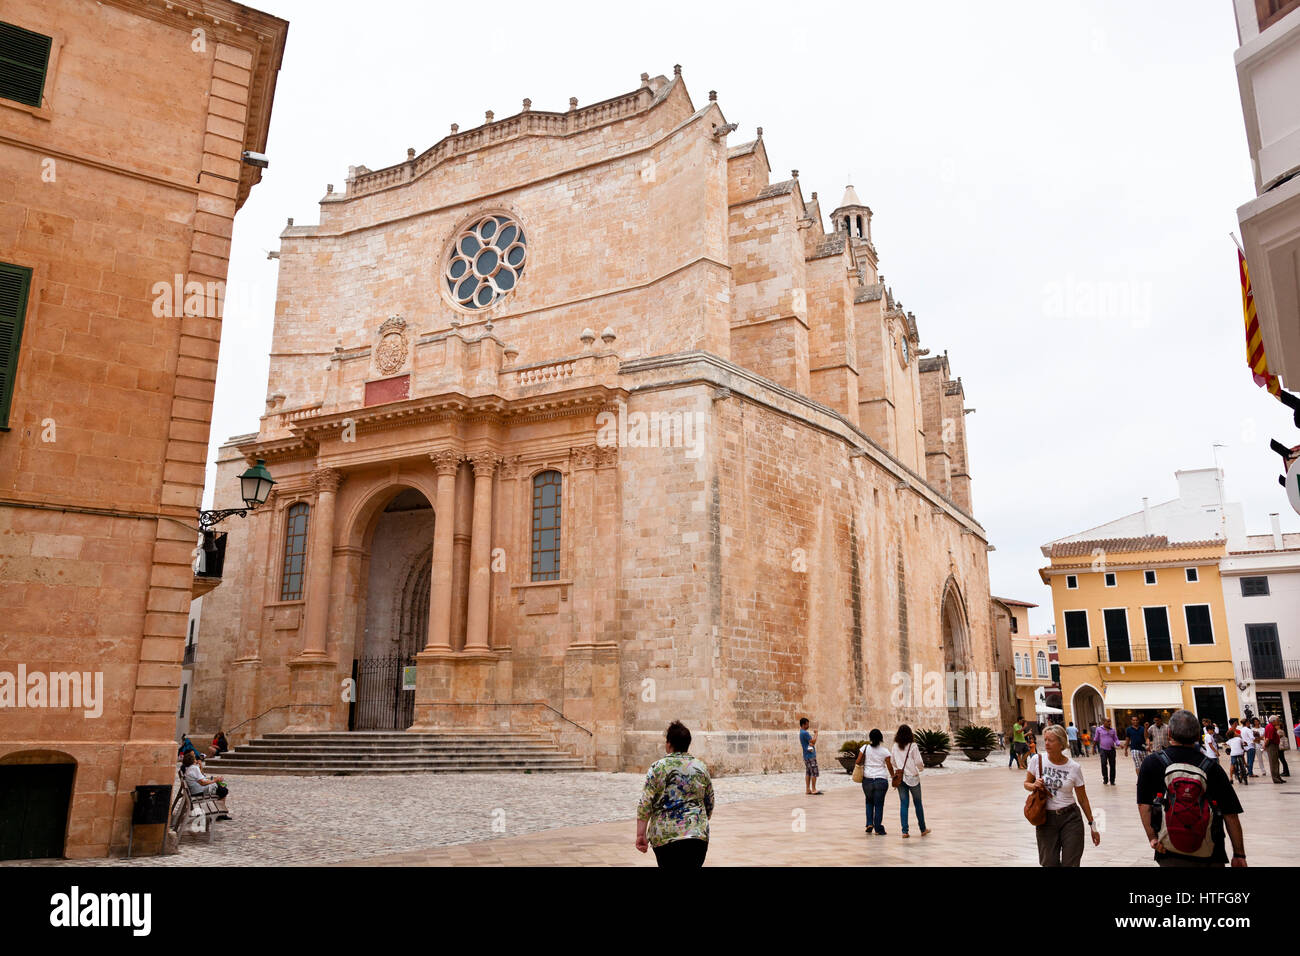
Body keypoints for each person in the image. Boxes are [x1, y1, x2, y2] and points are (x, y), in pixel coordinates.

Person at [1137, 709, 1246, 868]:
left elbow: (1144, 805)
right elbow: (1230, 814)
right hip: (1211, 852)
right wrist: (1239, 854)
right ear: (1197, 736)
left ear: (1169, 734)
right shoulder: (1211, 767)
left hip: (1168, 850)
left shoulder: (1151, 763)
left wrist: (1152, 838)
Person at [635, 720, 714, 866]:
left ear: (669, 743)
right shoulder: (700, 767)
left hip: (666, 838)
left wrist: (641, 834)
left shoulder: (658, 768)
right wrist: (697, 823)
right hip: (696, 837)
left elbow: (645, 804)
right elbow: (709, 802)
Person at [1025, 724, 1099, 867]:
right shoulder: (1037, 760)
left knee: (1071, 862)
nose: (1046, 743)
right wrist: (1034, 785)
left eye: (1051, 740)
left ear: (1061, 743)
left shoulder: (1074, 767)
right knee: (1049, 862)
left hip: (1070, 817)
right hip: (1045, 819)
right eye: (1045, 739)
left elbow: (1082, 799)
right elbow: (1026, 783)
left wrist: (1093, 825)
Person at [891, 724, 929, 838]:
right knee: (918, 803)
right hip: (913, 777)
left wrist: (899, 767)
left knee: (904, 804)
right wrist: (921, 769)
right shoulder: (913, 746)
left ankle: (905, 831)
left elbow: (892, 761)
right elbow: (918, 761)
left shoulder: (895, 746)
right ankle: (923, 829)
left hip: (900, 777)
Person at [855, 728, 892, 835]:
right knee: (879, 804)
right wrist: (893, 776)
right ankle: (878, 828)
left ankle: (869, 823)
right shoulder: (885, 751)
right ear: (881, 738)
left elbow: (857, 761)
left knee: (869, 801)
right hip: (881, 779)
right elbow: (889, 766)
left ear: (870, 738)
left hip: (867, 779)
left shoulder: (865, 748)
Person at [181, 752, 230, 819]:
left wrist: (214, 780)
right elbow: (202, 783)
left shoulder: (189, 769)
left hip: (195, 790)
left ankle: (221, 813)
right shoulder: (194, 768)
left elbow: (201, 778)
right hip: (199, 791)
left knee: (221, 788)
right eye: (195, 758)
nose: (196, 759)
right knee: (223, 790)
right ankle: (221, 814)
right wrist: (215, 780)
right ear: (193, 760)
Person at [798, 717, 822, 795]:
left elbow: (810, 743)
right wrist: (816, 733)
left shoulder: (801, 733)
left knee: (808, 772)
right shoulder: (805, 733)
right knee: (814, 772)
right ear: (803, 724)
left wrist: (811, 743)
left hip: (806, 755)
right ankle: (814, 789)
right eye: (807, 724)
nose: (808, 726)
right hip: (810, 755)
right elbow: (813, 742)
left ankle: (808, 789)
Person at [1263, 715, 1287, 785]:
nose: (1278, 721)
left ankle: (1278, 777)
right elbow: (1268, 739)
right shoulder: (1270, 727)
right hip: (1271, 746)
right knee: (1273, 763)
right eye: (1277, 720)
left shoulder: (1271, 727)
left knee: (1276, 762)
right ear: (1273, 721)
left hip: (1274, 745)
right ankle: (1275, 778)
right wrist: (1265, 746)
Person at [1094, 717, 1118, 785]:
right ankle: (1105, 778)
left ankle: (1112, 780)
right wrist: (1093, 748)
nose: (1109, 723)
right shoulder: (1099, 729)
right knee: (1103, 764)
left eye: (1110, 721)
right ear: (1103, 722)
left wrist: (1119, 744)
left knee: (1112, 765)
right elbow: (1096, 739)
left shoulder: (1113, 730)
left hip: (1112, 749)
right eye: (1108, 721)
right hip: (1103, 749)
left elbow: (1115, 739)